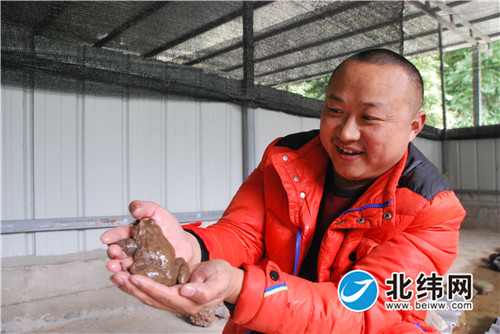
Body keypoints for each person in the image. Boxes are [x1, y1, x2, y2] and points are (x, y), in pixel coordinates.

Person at [101, 49, 466, 333]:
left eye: (369, 118)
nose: (346, 133)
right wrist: (192, 247)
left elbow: (360, 307)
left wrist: (239, 288)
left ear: (414, 125)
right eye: (334, 110)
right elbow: (243, 231)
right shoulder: (285, 159)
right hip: (266, 320)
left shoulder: (433, 209)